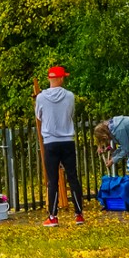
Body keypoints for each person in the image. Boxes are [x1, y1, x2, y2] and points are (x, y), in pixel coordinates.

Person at [35, 64, 83, 226]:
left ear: (49, 78)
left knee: (52, 180)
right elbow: (71, 113)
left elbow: (39, 116)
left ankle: (53, 216)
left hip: (50, 142)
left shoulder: (41, 97)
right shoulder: (70, 96)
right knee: (73, 177)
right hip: (67, 140)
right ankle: (79, 214)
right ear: (61, 78)